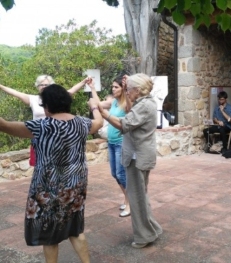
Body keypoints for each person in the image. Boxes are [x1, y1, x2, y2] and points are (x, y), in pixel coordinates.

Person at [0, 82, 103, 263]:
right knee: (75, 228)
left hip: (48, 187)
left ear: (47, 106)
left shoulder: (41, 126)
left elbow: (5, 125)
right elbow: (99, 122)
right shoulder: (82, 123)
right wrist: (94, 106)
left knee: (49, 234)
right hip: (75, 185)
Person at [98, 73, 162, 249]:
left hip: (138, 157)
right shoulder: (145, 103)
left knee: (136, 198)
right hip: (139, 155)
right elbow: (129, 112)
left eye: (129, 89)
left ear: (138, 90)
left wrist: (104, 114)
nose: (127, 91)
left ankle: (143, 236)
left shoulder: (144, 106)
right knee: (141, 196)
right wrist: (127, 88)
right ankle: (151, 230)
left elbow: (124, 124)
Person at [0, 75, 90, 166]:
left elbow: (72, 90)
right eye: (41, 85)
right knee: (39, 164)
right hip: (39, 136)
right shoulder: (33, 99)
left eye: (46, 85)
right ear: (37, 86)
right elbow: (15, 93)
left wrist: (84, 82)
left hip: (56, 135)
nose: (43, 87)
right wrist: (1, 86)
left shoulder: (58, 98)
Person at [88, 74, 132, 217]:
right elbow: (98, 105)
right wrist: (93, 88)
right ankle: (127, 199)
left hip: (121, 143)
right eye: (112, 86)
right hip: (111, 143)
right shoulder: (113, 102)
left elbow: (129, 113)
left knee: (121, 174)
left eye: (116, 87)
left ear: (123, 88)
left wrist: (127, 87)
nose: (113, 89)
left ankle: (130, 202)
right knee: (115, 174)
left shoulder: (126, 104)